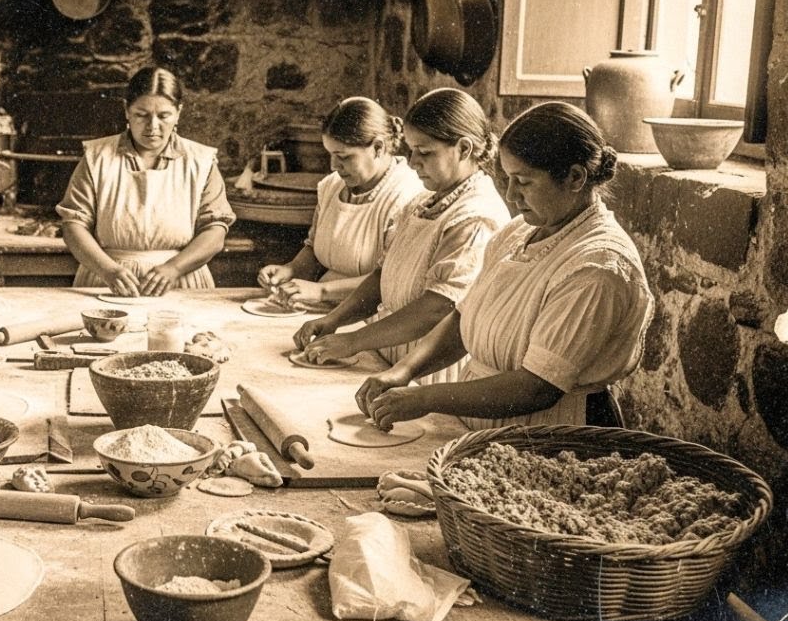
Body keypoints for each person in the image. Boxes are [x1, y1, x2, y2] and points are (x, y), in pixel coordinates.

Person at [357, 102, 653, 429]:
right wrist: (404, 371)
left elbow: (537, 388)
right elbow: (462, 316)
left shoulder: (597, 267)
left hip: (552, 433)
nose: (511, 195)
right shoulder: (518, 232)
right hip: (484, 424)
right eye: (508, 179)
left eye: (523, 182)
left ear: (575, 177)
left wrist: (425, 398)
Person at [294, 88, 510, 385]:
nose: (412, 161)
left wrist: (353, 340)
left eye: (425, 152)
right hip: (392, 351)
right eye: (410, 149)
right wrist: (334, 320)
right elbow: (381, 277)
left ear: (463, 149)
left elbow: (436, 308)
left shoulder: (475, 217)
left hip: (430, 369)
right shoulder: (422, 202)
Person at [56, 66, 236, 296]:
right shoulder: (97, 157)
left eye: (163, 116)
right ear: (126, 111)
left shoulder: (200, 161)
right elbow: (73, 225)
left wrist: (174, 268)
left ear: (178, 112)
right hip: (107, 280)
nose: (153, 126)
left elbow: (215, 232)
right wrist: (108, 270)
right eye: (142, 115)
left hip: (181, 280)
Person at [257, 97, 424, 306]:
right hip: (324, 306)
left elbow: (391, 279)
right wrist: (291, 269)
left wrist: (321, 290)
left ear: (378, 148)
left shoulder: (406, 196)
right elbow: (314, 249)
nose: (334, 165)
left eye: (343, 156)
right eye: (330, 154)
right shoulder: (332, 186)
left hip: (374, 315)